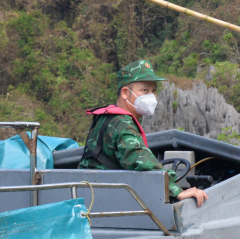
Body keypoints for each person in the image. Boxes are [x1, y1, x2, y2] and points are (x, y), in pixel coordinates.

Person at [79, 60, 209, 207]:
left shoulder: (108, 118)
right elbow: (141, 161)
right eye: (145, 90)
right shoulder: (122, 124)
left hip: (93, 192)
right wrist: (176, 190)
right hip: (103, 198)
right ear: (125, 93)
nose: (152, 96)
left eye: (153, 90)